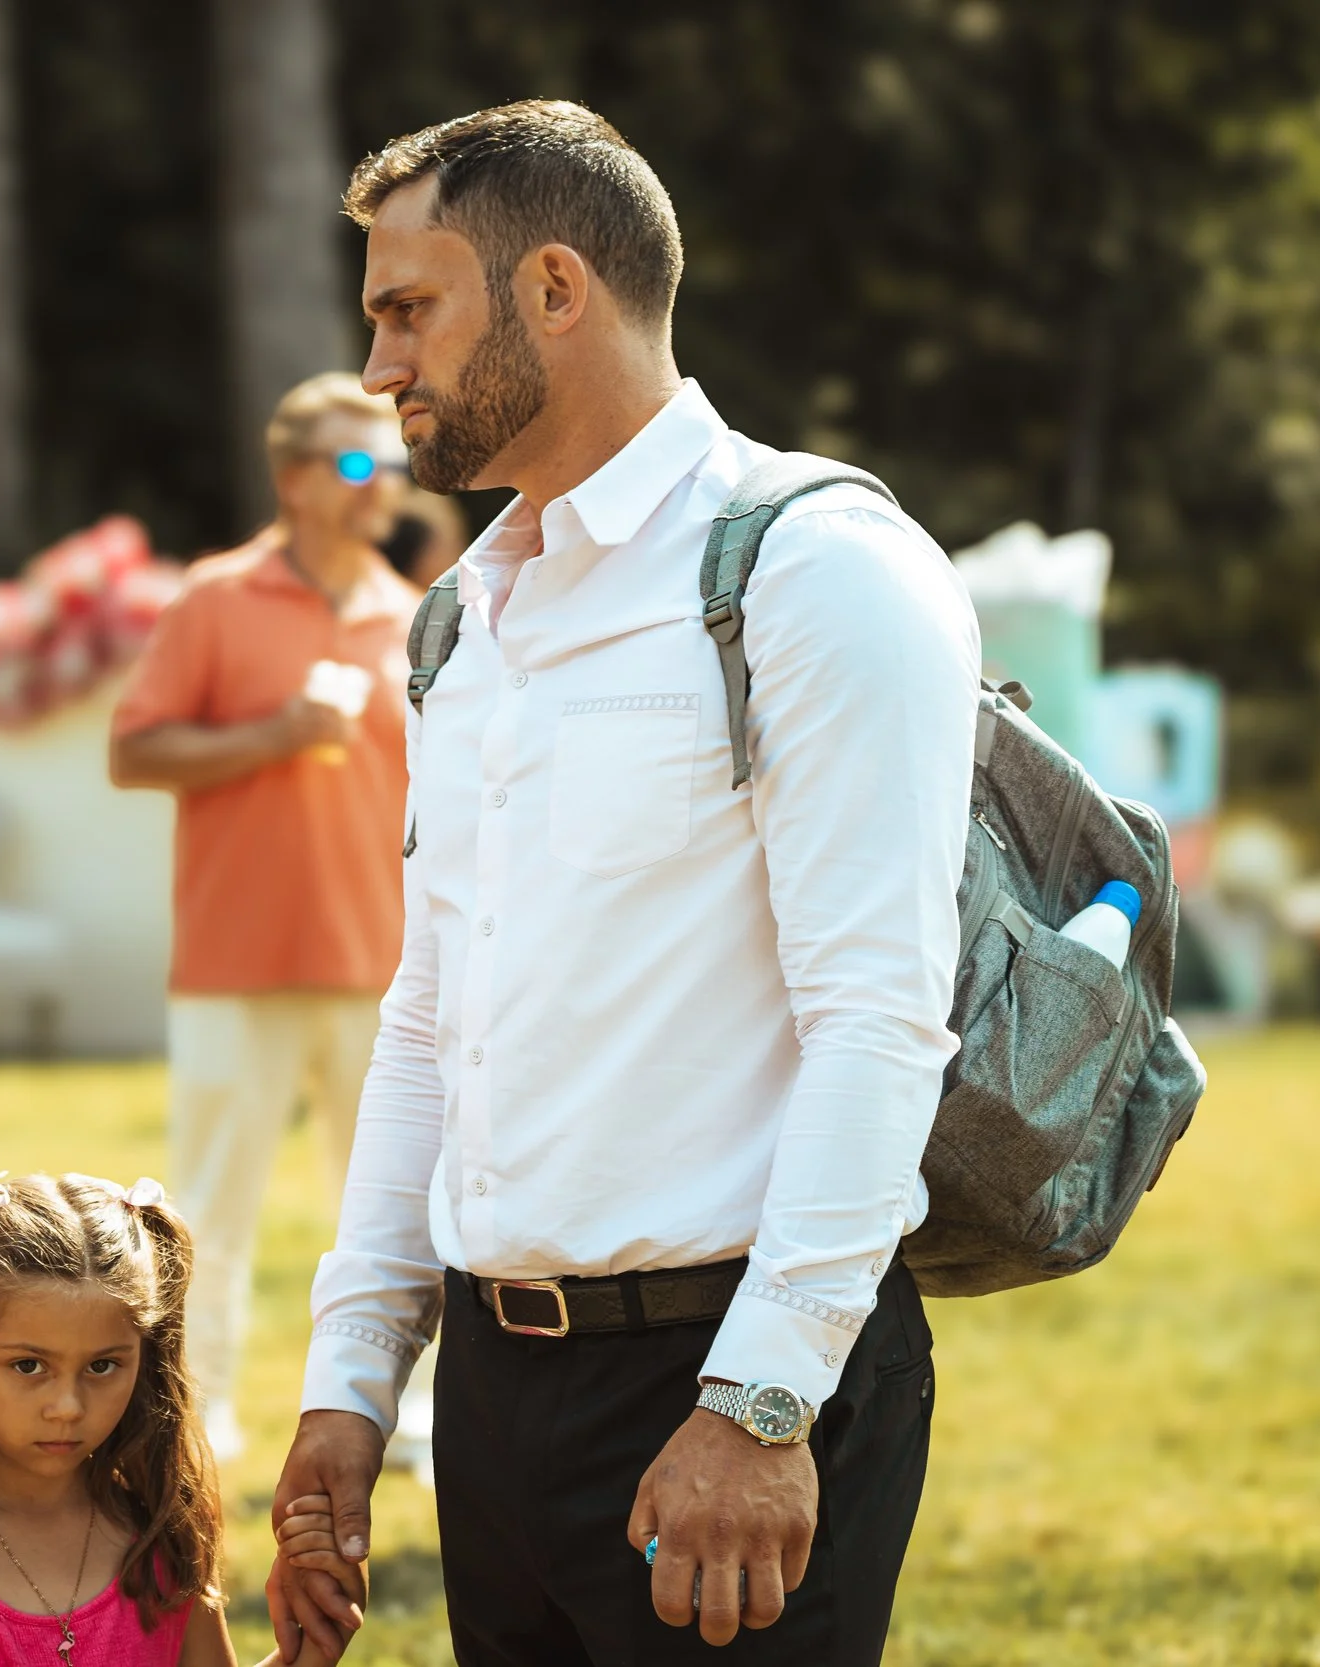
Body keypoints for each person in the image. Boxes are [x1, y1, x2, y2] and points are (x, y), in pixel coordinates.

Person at [267, 101, 980, 1666]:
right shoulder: (460, 616)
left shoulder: (812, 568)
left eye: (408, 308)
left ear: (556, 290)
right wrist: (351, 1382)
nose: (380, 367)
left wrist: (763, 1395)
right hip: (497, 1399)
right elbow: (427, 1014)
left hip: (728, 1384)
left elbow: (878, 1021)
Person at [109, 373, 423, 1467]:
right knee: (208, 1212)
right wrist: (273, 734)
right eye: (352, 463)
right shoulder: (214, 600)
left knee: (396, 1210)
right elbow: (133, 748)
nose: (379, 482)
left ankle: (407, 1419)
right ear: (292, 479)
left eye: (388, 461)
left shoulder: (415, 610)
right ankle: (199, 1418)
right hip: (235, 960)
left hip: (385, 967)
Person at [0, 1172, 358, 1667]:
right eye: (28, 1366)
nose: (69, 1406)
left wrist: (305, 1653)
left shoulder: (159, 1539)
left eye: (102, 1366)